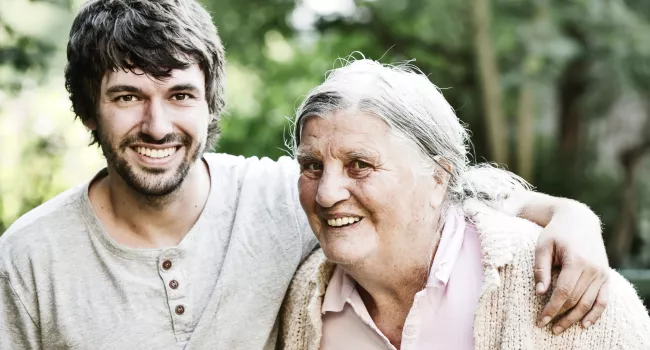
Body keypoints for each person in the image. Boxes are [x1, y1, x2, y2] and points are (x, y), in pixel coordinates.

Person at [0, 1, 610, 349]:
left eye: (181, 94)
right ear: (88, 106)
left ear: (210, 106)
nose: (158, 124)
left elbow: (431, 191)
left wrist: (567, 215)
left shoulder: (286, 200)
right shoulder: (27, 260)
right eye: (127, 95)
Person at [278, 59, 650, 350]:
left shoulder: (563, 285)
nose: (326, 194)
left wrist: (574, 214)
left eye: (360, 165)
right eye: (312, 166)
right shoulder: (303, 297)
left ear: (438, 178)